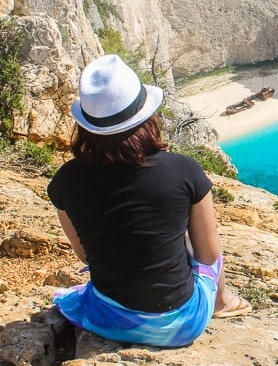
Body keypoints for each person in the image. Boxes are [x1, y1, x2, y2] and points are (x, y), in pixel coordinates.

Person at [47, 54, 251, 348]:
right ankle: (223, 303)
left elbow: (86, 256)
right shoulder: (184, 170)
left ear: (88, 126)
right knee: (192, 238)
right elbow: (208, 256)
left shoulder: (65, 181)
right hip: (182, 325)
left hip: (108, 320)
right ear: (146, 116)